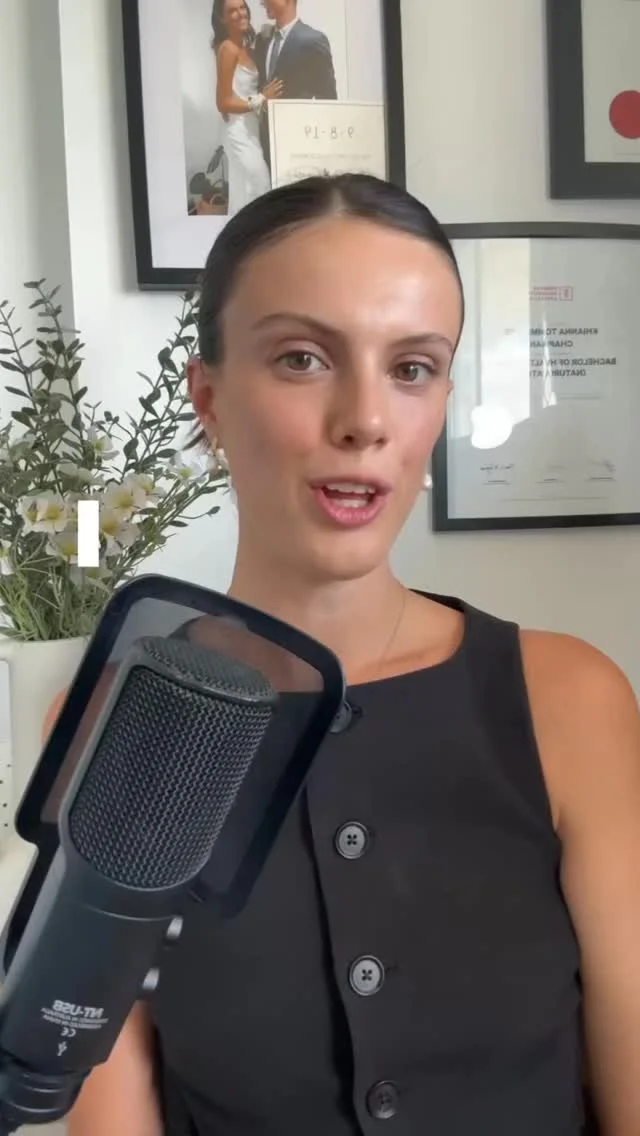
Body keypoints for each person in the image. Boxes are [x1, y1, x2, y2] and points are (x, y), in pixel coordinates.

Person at [65, 173, 640, 1135]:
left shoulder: (570, 702)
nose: (366, 420)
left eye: (412, 368)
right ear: (208, 397)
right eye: (302, 358)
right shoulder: (114, 728)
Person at [211, 0, 282, 215]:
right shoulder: (227, 49)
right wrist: (261, 99)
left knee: (244, 191)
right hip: (237, 131)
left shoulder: (247, 50)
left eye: (242, 7)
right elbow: (223, 102)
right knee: (260, 186)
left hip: (252, 129)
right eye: (232, 11)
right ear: (222, 19)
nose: (241, 13)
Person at [254, 0, 337, 167]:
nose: (262, 2)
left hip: (298, 147)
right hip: (264, 145)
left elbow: (328, 100)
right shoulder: (263, 41)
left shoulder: (313, 40)